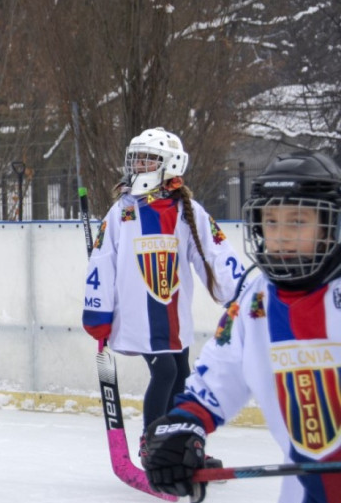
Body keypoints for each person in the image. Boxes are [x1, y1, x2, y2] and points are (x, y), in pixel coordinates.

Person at [142, 151, 341, 503]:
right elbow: (214, 382)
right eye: (271, 222)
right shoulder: (255, 304)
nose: (282, 235)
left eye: (298, 221)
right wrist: (181, 428)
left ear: (331, 227)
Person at [82, 127, 243, 461]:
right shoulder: (122, 211)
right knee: (166, 372)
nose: (138, 165)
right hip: (136, 317)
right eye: (136, 158)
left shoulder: (188, 210)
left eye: (148, 159)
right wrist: (97, 310)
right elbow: (102, 262)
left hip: (174, 317)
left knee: (182, 375)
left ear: (170, 165)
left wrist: (239, 293)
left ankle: (179, 443)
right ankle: (152, 443)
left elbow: (213, 252)